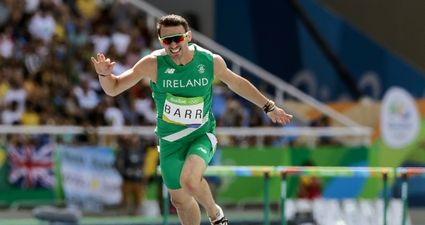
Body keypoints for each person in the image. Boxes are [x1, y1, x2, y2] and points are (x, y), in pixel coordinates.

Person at [91, 14, 293, 225]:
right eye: (167, 40)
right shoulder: (152, 64)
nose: (173, 45)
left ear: (188, 36)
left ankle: (216, 215)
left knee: (189, 181)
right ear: (161, 42)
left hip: (200, 134)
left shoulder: (209, 61)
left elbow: (237, 83)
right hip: (169, 142)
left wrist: (268, 106)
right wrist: (104, 76)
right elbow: (113, 89)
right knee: (180, 201)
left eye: (177, 38)